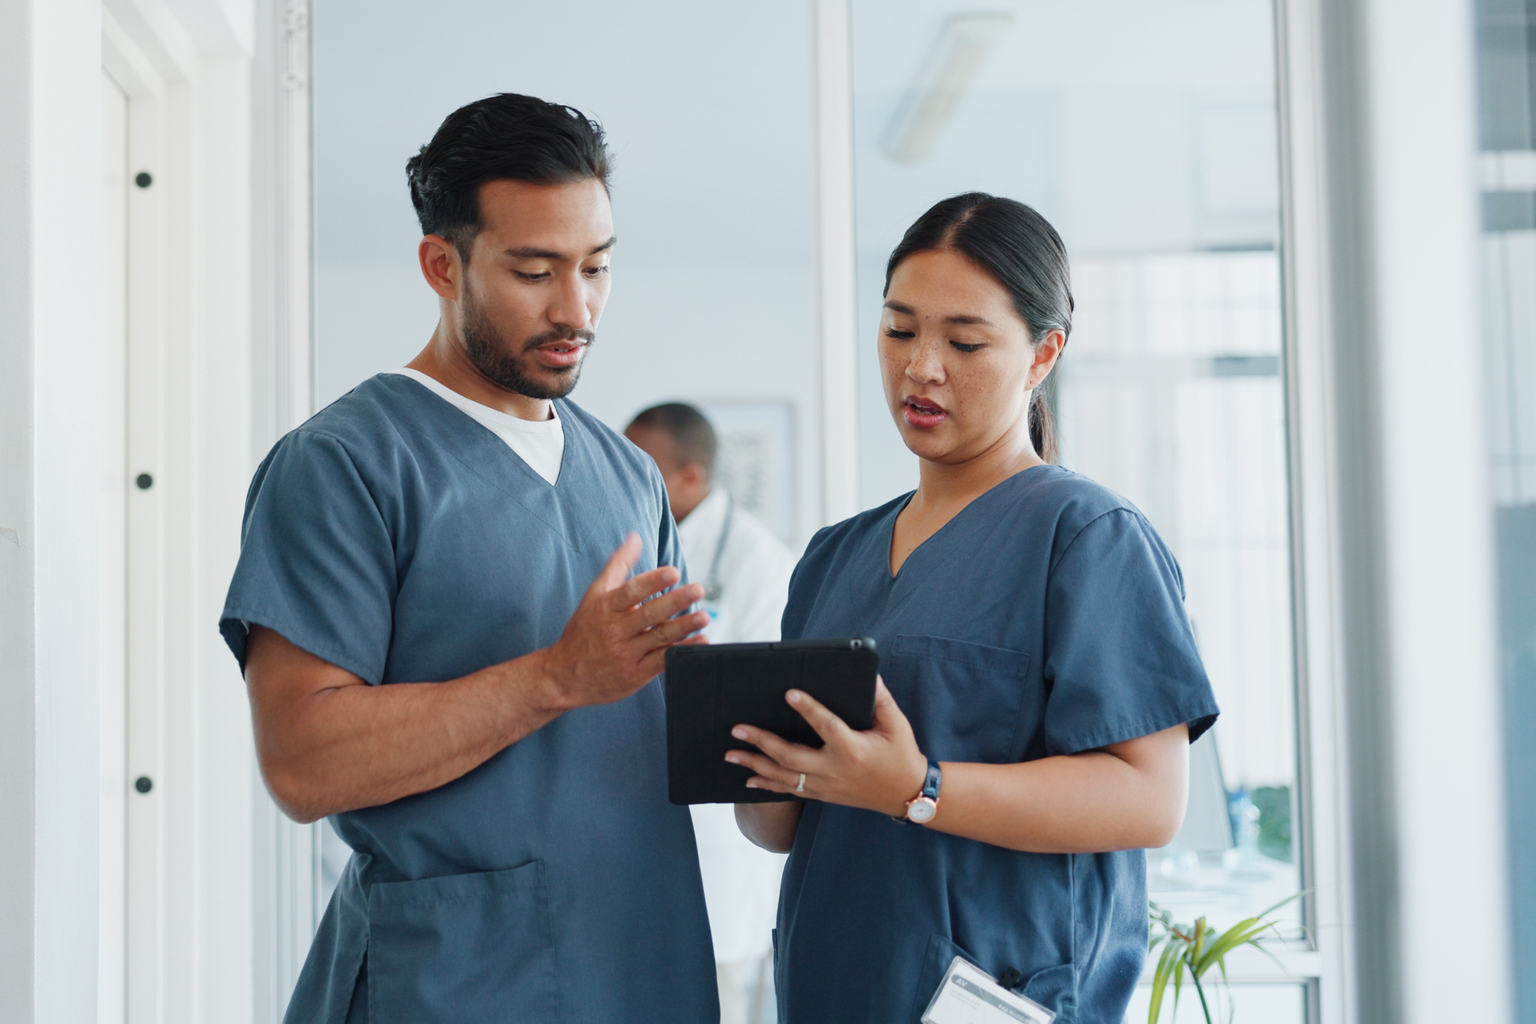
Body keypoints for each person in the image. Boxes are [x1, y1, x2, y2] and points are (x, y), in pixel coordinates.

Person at [220, 94, 718, 1023]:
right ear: (441, 265)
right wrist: (555, 678)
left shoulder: (631, 475)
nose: (578, 308)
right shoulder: (344, 465)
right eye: (535, 271)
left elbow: (656, 723)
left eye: (597, 268)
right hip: (456, 982)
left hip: (645, 962)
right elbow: (300, 761)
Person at [731, 193, 1220, 1023]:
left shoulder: (1088, 535)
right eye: (898, 330)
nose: (922, 366)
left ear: (1042, 355)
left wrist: (917, 788)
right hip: (833, 984)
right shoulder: (832, 557)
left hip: (994, 995)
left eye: (964, 342)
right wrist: (750, 752)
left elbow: (1150, 801)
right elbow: (781, 828)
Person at [625, 402, 797, 1024]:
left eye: (645, 467)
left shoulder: (758, 564)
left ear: (691, 477)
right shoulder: (635, 547)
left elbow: (752, 708)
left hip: (721, 843)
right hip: (638, 827)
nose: (627, 478)